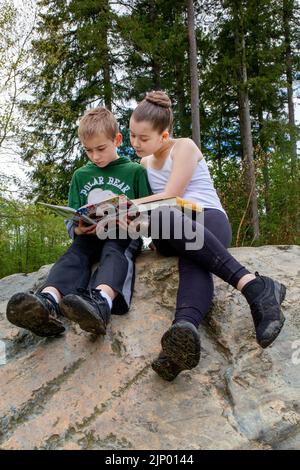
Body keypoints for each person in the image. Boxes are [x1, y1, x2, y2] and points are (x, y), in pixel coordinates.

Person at [129, 90, 286, 381]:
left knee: (193, 262)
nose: (136, 143)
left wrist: (127, 205)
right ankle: (256, 288)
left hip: (206, 217)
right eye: (132, 135)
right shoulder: (142, 165)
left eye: (143, 138)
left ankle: (181, 335)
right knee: (164, 219)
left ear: (164, 136)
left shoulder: (184, 147)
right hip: (170, 228)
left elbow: (173, 195)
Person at [6, 107, 152, 337]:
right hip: (90, 233)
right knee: (73, 255)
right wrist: (77, 228)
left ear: (117, 139)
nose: (95, 156)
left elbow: (147, 215)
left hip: (122, 234)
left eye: (101, 148)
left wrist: (135, 224)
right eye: (88, 151)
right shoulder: (80, 175)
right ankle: (48, 301)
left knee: (114, 252)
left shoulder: (135, 171)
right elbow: (73, 214)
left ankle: (101, 301)